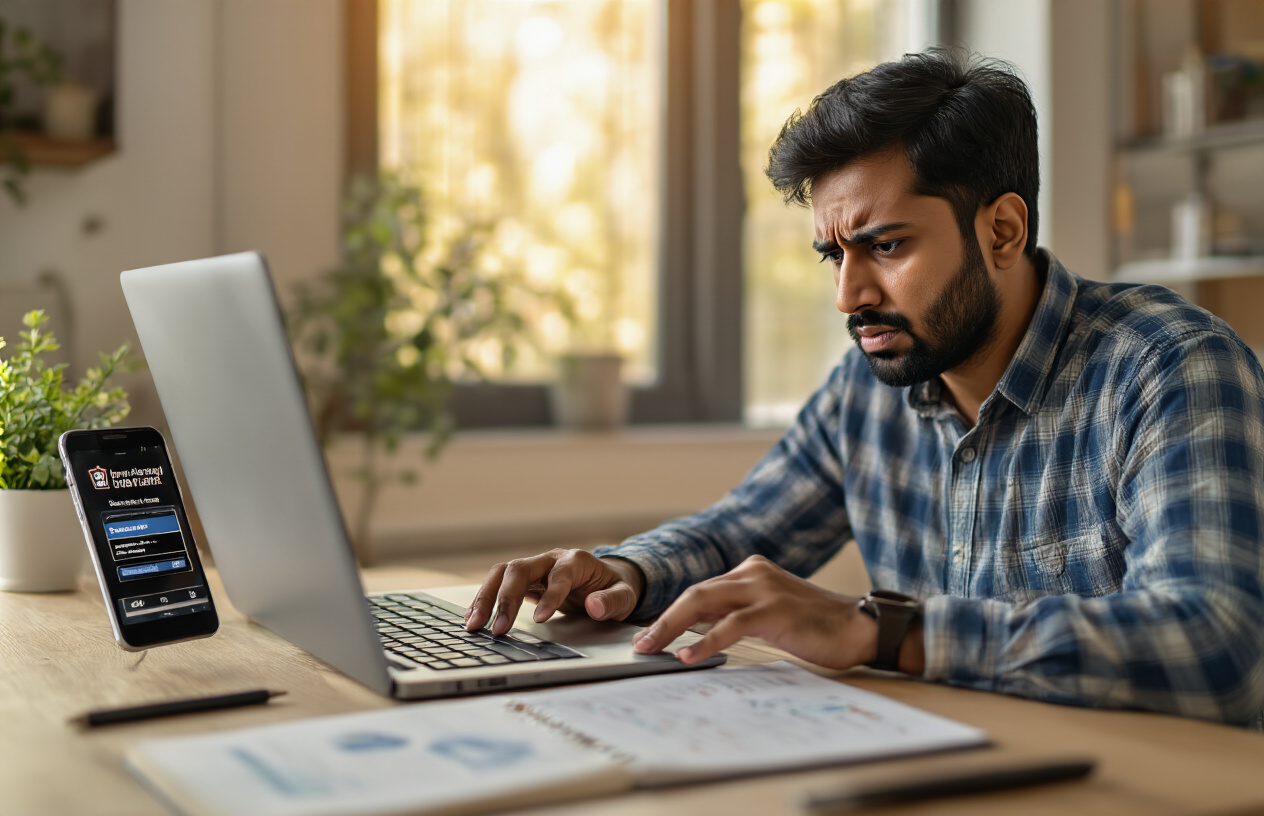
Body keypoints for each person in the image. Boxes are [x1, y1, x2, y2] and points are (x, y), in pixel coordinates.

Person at [464, 49, 1264, 728]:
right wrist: (622, 576)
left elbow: (1215, 640)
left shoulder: (1171, 368)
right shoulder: (870, 384)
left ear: (1003, 231)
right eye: (832, 256)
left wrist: (881, 633)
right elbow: (740, 532)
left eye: (885, 245)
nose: (849, 296)